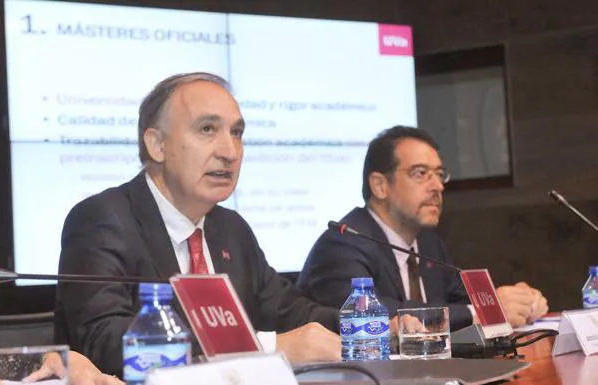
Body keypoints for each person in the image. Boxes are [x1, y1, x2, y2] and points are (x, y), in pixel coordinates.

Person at [54, 73, 340, 376]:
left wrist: (377, 325)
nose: (229, 152)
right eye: (207, 129)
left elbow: (294, 314)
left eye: (237, 133)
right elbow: (103, 341)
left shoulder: (232, 229)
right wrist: (267, 349)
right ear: (157, 145)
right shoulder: (103, 219)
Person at [297, 126, 548, 331]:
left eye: (440, 174)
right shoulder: (342, 245)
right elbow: (376, 317)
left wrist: (518, 303)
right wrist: (485, 309)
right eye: (421, 173)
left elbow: (461, 301)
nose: (437, 186)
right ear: (380, 185)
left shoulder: (428, 242)